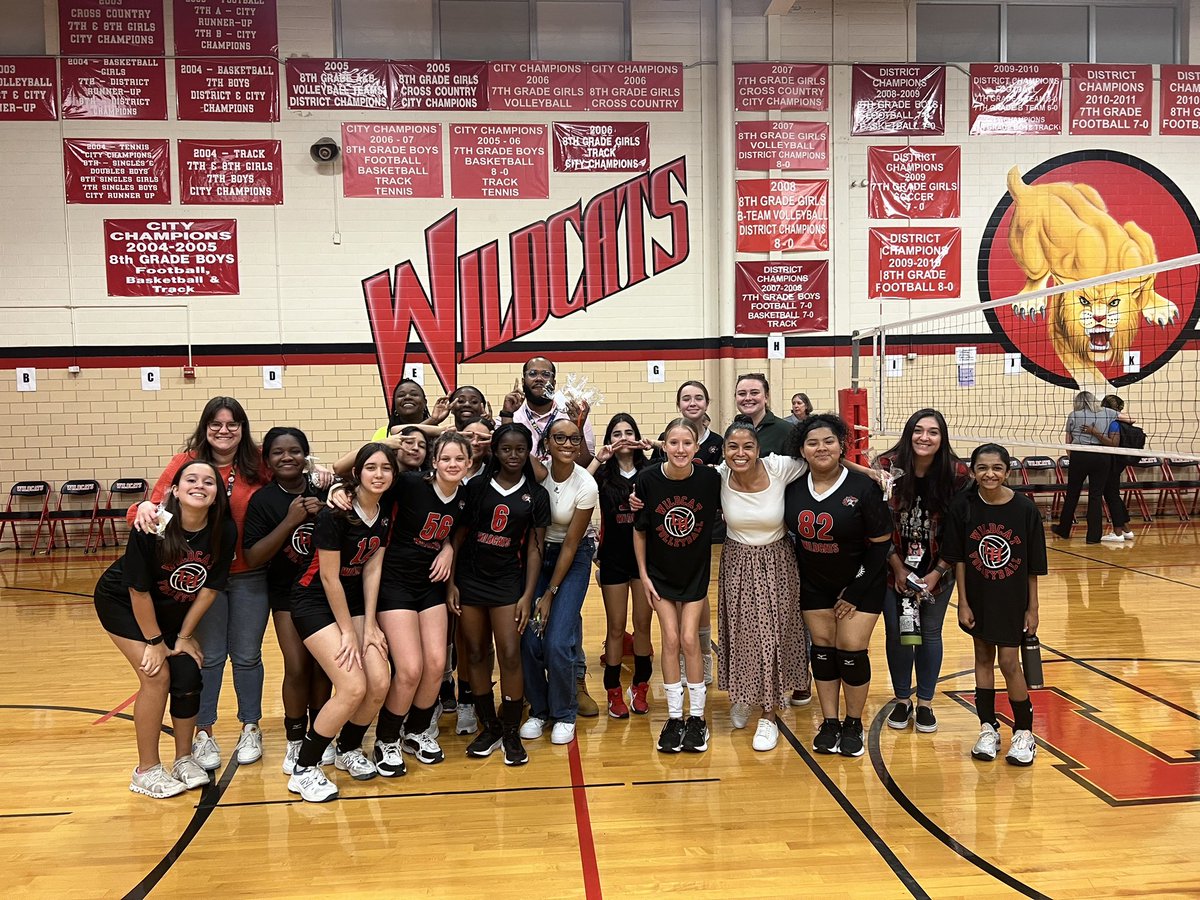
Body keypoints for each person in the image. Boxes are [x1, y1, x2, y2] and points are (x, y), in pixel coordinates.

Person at [130, 397, 271, 771]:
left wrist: (321, 475)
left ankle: (250, 725)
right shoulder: (186, 462)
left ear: (243, 428)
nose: (224, 430)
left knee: (247, 655)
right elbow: (152, 506)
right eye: (216, 423)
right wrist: (145, 506)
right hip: (201, 578)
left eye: (232, 423)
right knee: (206, 657)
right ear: (205, 426)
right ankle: (204, 731)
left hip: (249, 574)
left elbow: (294, 475)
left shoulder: (258, 463)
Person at [95, 461, 237, 798]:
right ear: (174, 490)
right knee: (156, 675)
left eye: (209, 481)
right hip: (122, 603)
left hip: (171, 611)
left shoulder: (224, 530)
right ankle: (146, 770)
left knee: (188, 672)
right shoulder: (153, 525)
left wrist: (185, 637)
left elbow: (210, 588)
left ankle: (184, 758)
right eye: (191, 479)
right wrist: (155, 642)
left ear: (217, 495)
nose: (200, 485)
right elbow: (138, 590)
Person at [288, 444, 394, 801]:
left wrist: (372, 624)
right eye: (371, 467)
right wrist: (350, 632)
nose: (378, 474)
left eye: (385, 468)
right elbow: (330, 578)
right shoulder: (335, 515)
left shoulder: (383, 512)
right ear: (357, 473)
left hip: (353, 601)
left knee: (380, 680)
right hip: (314, 600)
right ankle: (304, 767)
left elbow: (373, 568)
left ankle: (348, 748)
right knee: (352, 686)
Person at [784, 414, 892, 758]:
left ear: (841, 446)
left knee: (850, 651)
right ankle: (829, 722)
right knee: (823, 651)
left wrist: (855, 592)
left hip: (861, 582)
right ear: (802, 449)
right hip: (814, 583)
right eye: (813, 442)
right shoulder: (794, 488)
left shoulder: (863, 488)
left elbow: (880, 545)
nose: (821, 448)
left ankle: (853, 723)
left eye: (828, 441)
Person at [501, 356, 598, 717]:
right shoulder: (515, 416)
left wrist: (579, 424)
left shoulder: (571, 412)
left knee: (564, 626)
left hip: (572, 546)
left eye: (546, 373)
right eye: (533, 373)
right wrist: (507, 419)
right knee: (530, 628)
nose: (539, 378)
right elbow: (518, 461)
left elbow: (585, 458)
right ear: (523, 378)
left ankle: (575, 684)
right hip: (533, 542)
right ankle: (537, 700)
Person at [448, 424, 549, 765]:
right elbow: (458, 537)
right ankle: (488, 725)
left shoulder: (535, 494)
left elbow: (535, 549)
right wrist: (451, 582)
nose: (513, 455)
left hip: (508, 582)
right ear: (495, 450)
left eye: (520, 449)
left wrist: (527, 594)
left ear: (528, 451)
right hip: (470, 579)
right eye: (506, 449)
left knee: (509, 653)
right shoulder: (476, 487)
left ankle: (509, 729)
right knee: (475, 652)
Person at [370, 432, 470, 770]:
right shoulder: (412, 484)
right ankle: (386, 739)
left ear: (468, 463)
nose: (452, 464)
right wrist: (339, 490)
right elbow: (371, 489)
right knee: (410, 669)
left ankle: (415, 731)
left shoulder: (463, 497)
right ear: (434, 462)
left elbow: (456, 530)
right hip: (395, 583)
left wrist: (449, 547)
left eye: (459, 459)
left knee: (437, 664)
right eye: (446, 458)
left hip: (430, 585)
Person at [943, 443, 1046, 767]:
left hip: (1012, 597)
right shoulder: (963, 506)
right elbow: (959, 558)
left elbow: (1032, 566)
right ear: (973, 471)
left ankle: (1025, 733)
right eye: (983, 468)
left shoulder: (1024, 510)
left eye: (997, 468)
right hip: (978, 595)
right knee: (982, 659)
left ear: (1007, 471)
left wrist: (1033, 608)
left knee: (1009, 663)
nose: (990, 474)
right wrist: (962, 602)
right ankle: (988, 728)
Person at [241, 428, 333, 776]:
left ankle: (320, 735)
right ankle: (295, 738)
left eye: (295, 451)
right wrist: (290, 521)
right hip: (286, 594)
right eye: (278, 452)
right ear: (268, 460)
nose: (287, 457)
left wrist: (326, 510)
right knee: (297, 666)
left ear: (306, 455)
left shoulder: (323, 490)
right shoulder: (264, 501)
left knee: (324, 666)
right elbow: (253, 556)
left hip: (325, 591)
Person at [716, 418, 809, 752]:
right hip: (737, 561)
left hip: (777, 561)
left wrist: (871, 473)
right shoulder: (720, 474)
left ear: (758, 449)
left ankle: (769, 715)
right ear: (724, 450)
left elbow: (824, 457)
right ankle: (744, 695)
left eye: (748, 446)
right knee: (741, 635)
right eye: (733, 447)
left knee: (772, 638)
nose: (740, 453)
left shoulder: (779, 467)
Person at [877, 409, 971, 735]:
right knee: (899, 634)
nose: (924, 438)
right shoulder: (886, 467)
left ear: (942, 438)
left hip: (937, 571)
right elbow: (875, 523)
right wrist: (897, 566)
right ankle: (903, 699)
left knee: (929, 634)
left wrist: (939, 572)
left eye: (933, 432)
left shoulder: (958, 474)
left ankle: (926, 703)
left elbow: (960, 531)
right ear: (908, 433)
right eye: (919, 430)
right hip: (893, 568)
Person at [634, 418, 722, 754]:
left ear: (696, 448)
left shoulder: (709, 479)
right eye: (673, 443)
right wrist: (643, 574)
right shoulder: (648, 479)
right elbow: (639, 530)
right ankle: (674, 718)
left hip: (695, 573)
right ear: (664, 446)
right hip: (659, 573)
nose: (680, 449)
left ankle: (697, 718)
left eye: (687, 443)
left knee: (689, 638)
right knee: (669, 639)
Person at [520, 419, 599, 745]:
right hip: (538, 554)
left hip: (573, 558)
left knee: (556, 640)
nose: (567, 444)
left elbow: (569, 544)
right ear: (548, 443)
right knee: (529, 638)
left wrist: (550, 593)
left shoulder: (586, 485)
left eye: (574, 439)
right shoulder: (539, 474)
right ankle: (539, 710)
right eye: (559, 438)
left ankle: (564, 713)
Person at [589, 413, 654, 718]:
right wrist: (597, 460)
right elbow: (579, 487)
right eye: (617, 433)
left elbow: (683, 462)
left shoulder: (651, 470)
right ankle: (613, 690)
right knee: (616, 627)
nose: (623, 437)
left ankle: (640, 685)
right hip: (613, 557)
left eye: (629, 432)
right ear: (609, 441)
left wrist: (655, 445)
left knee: (643, 625)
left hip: (644, 560)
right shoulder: (602, 474)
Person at [1053, 390, 1121, 545]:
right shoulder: (1108, 413)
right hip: (1101, 455)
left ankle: (1064, 530)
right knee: (1096, 496)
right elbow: (1130, 419)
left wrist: (1074, 459)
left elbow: (1068, 441)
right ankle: (1093, 536)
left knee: (1072, 494)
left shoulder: (1073, 415)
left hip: (1080, 454)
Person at [1099, 395, 1136, 544]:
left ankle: (1118, 532)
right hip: (1117, 462)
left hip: (1112, 462)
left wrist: (1094, 433)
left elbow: (1113, 444)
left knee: (1111, 496)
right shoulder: (1118, 421)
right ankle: (1127, 530)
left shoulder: (1113, 423)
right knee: (1113, 495)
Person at [733, 373, 791, 454]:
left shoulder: (786, 430)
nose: (748, 398)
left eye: (754, 393)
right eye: (742, 394)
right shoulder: (733, 430)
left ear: (766, 397)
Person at [371, 377, 446, 440]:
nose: (407, 397)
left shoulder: (439, 434)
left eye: (414, 394)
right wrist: (432, 421)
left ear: (425, 402)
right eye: (401, 395)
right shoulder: (383, 433)